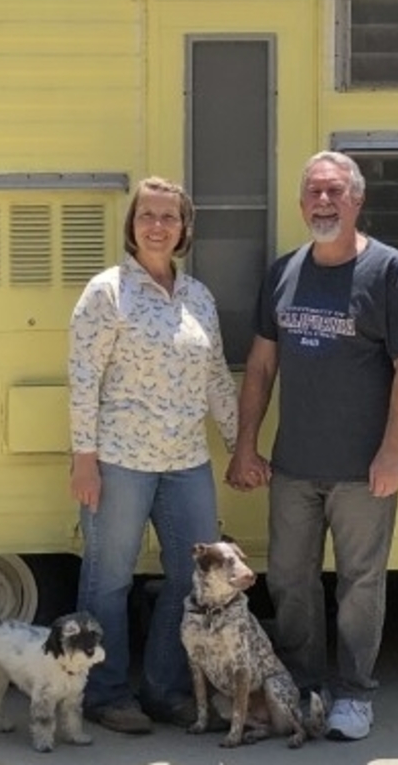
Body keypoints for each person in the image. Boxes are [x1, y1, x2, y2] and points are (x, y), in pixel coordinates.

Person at [226, 151, 398, 741]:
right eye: (314, 192)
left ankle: (354, 695)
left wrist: (393, 451)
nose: (323, 202)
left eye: (335, 192)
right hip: (294, 465)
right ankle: (306, 686)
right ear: (301, 204)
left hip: (365, 470)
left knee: (360, 585)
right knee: (290, 580)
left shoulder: (387, 270)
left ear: (356, 200)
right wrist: (246, 445)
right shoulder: (285, 272)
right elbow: (262, 367)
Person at [68, 175, 238, 735]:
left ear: (185, 228)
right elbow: (84, 379)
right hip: (119, 460)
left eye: (169, 217)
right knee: (108, 579)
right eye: (147, 216)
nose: (158, 226)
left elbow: (215, 377)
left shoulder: (199, 298)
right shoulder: (106, 293)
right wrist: (84, 458)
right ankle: (106, 693)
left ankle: (164, 690)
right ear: (131, 225)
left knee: (189, 579)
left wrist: (240, 448)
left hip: (187, 460)